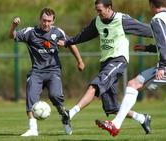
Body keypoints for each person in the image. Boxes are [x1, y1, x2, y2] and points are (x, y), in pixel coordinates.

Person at [57, 0, 153, 136]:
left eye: (100, 10)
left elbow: (146, 29)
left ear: (109, 8)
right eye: (96, 10)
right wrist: (68, 42)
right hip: (105, 63)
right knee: (112, 107)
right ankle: (142, 118)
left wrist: (161, 32)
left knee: (95, 85)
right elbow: (84, 35)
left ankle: (70, 113)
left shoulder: (122, 20)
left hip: (118, 60)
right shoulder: (97, 21)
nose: (98, 13)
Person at [9, 7, 85, 137]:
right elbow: (12, 36)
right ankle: (33, 128)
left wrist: (80, 60)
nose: (46, 23)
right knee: (31, 94)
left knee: (55, 96)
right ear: (40, 19)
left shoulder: (58, 32)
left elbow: (71, 43)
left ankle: (65, 117)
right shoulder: (30, 32)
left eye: (49, 21)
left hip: (53, 71)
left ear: (53, 21)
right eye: (44, 20)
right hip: (37, 71)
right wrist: (13, 26)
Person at [95, 0, 166, 137]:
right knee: (133, 84)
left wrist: (163, 66)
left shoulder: (157, 19)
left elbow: (163, 43)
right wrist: (147, 48)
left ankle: (115, 124)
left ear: (151, 5)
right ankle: (118, 123)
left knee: (133, 85)